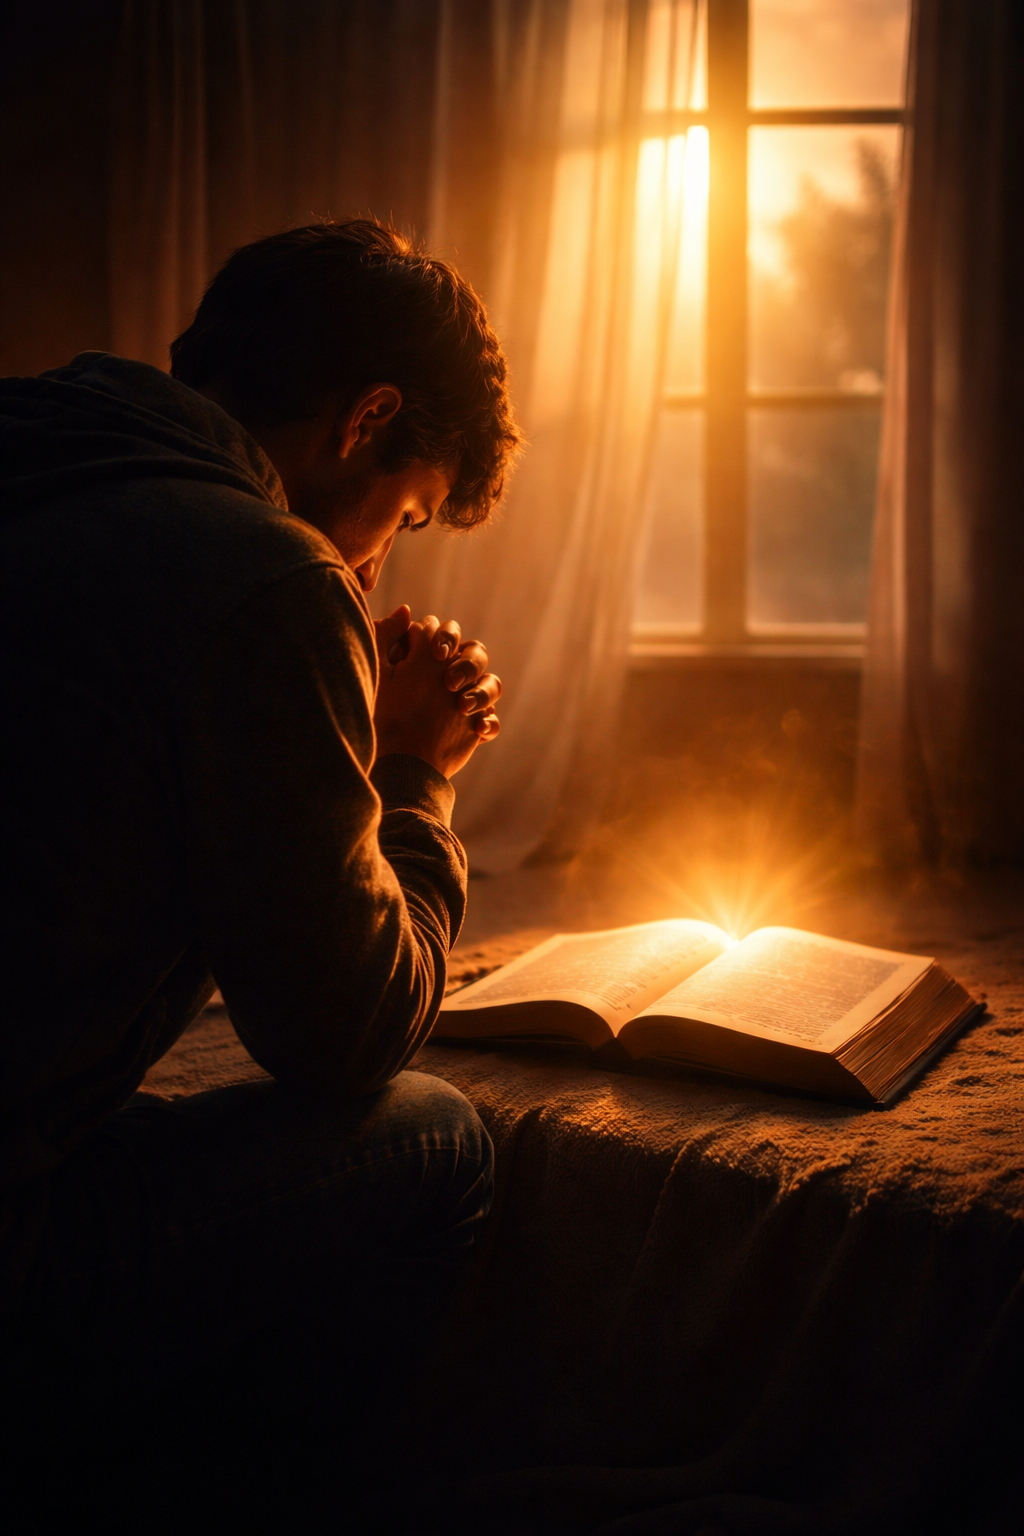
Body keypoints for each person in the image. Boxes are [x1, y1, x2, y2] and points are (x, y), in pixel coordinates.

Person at [0, 220, 521, 1470]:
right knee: (438, 1134)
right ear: (363, 419)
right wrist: (411, 775)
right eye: (402, 516)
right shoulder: (263, 573)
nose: (377, 563)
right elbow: (342, 1036)